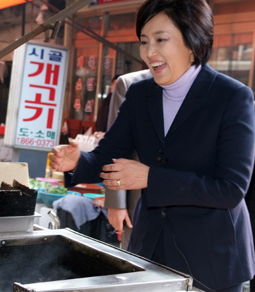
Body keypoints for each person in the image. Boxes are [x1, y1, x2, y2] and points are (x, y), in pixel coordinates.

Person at [50, 0, 255, 291]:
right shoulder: (139, 94)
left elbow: (231, 188)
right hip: (150, 253)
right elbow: (109, 157)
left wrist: (149, 177)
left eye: (161, 39)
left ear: (193, 40)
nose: (149, 52)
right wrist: (78, 162)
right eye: (144, 41)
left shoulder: (231, 97)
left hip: (212, 259)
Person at [104, 69, 152, 250]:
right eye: (145, 42)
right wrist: (116, 203)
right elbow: (116, 147)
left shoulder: (214, 88)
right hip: (137, 196)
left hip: (186, 199)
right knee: (136, 260)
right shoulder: (130, 83)